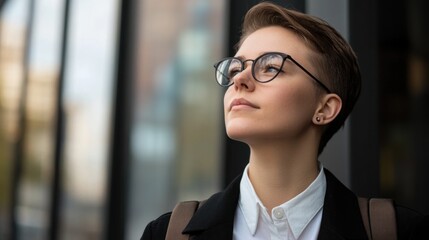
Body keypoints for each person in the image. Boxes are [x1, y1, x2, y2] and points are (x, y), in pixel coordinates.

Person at [142, 2, 427, 239]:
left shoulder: (397, 231)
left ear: (325, 108)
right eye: (235, 68)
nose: (239, 79)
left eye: (270, 67)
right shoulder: (168, 233)